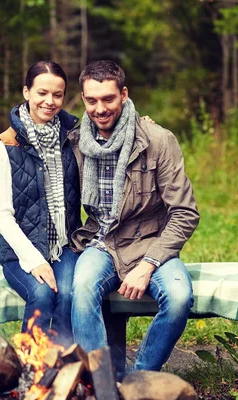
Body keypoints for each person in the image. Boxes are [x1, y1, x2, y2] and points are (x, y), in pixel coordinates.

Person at [70, 60, 200, 372]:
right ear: (83, 99)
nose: (100, 108)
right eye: (91, 100)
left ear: (124, 94)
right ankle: (100, 382)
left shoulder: (157, 140)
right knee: (83, 287)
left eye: (108, 99)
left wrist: (147, 265)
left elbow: (185, 212)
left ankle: (140, 379)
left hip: (150, 243)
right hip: (101, 242)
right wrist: (10, 134)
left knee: (180, 296)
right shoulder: (76, 141)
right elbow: (39, 119)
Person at [0, 61, 82, 345]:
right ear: (27, 92)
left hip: (64, 246)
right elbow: (4, 216)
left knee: (68, 294)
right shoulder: (8, 145)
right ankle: (31, 373)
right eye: (42, 93)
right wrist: (34, 262)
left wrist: (144, 124)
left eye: (57, 94)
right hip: (21, 253)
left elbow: (111, 125)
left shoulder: (73, 136)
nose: (49, 101)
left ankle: (65, 365)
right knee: (42, 294)